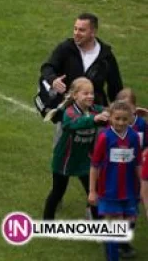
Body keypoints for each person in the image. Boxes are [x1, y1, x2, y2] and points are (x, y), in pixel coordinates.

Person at [42, 77, 107, 219]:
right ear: (75, 95)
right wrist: (94, 120)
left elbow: (113, 114)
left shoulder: (96, 110)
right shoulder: (70, 112)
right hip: (64, 160)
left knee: (94, 192)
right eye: (85, 93)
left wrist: (129, 113)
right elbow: (72, 123)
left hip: (84, 161)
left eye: (92, 93)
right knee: (58, 192)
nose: (90, 96)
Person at [88, 101, 140, 261]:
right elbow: (95, 165)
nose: (121, 122)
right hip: (109, 190)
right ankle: (112, 256)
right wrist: (92, 191)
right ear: (110, 118)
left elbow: (138, 163)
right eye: (117, 118)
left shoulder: (133, 137)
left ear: (130, 119)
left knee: (130, 222)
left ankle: (113, 242)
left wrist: (143, 188)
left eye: (124, 119)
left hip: (130, 190)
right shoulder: (105, 137)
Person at [40, 13, 124, 111]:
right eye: (75, 29)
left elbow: (116, 87)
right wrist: (53, 80)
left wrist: (122, 109)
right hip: (67, 112)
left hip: (95, 112)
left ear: (93, 32)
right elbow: (47, 67)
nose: (76, 33)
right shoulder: (66, 48)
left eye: (81, 30)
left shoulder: (106, 56)